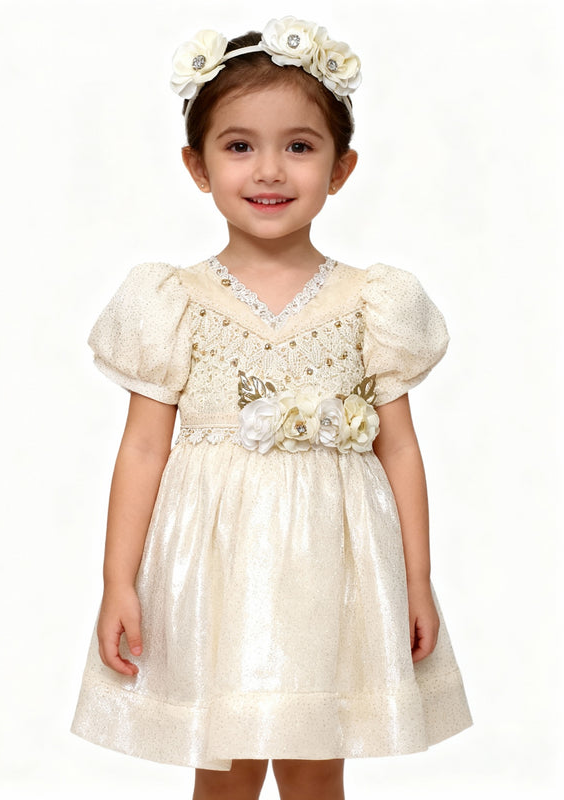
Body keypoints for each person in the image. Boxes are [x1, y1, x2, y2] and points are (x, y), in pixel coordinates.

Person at [71, 16, 472, 800]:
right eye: (239, 145)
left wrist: (418, 582)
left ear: (341, 166)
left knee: (317, 763)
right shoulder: (174, 301)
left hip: (333, 563)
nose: (270, 170)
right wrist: (118, 581)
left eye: (299, 145)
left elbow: (399, 449)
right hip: (214, 567)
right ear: (197, 164)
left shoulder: (372, 302)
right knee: (223, 763)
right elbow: (145, 450)